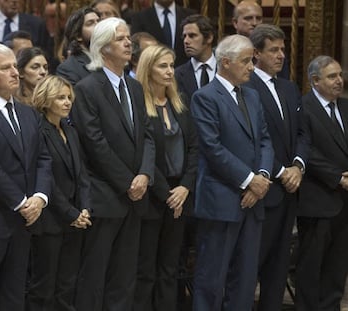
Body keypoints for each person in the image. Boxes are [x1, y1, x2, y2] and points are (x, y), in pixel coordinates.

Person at [71, 17, 155, 311]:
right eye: (121, 39)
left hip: (135, 196)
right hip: (105, 195)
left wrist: (144, 174)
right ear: (103, 47)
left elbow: (147, 135)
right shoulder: (86, 88)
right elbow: (95, 144)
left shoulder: (133, 87)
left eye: (128, 37)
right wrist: (127, 182)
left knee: (124, 276)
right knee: (95, 274)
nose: (128, 43)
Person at [190, 34, 274, 311]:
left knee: (246, 279)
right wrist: (250, 182)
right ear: (225, 62)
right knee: (211, 279)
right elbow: (212, 149)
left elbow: (264, 140)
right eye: (246, 61)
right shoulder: (205, 97)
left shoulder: (251, 95)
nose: (252, 66)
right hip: (222, 200)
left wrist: (261, 175)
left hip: (253, 202)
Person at [0, 43, 52, 311]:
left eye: (15, 66)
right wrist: (20, 201)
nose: (15, 72)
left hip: (26, 219)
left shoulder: (28, 113)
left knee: (15, 295)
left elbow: (44, 158)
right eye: (6, 68)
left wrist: (39, 197)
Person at [244, 24, 310, 311]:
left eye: (283, 49)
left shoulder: (288, 87)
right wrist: (282, 172)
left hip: (290, 193)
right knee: (250, 266)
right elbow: (253, 141)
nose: (281, 55)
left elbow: (303, 134)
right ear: (256, 53)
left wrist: (298, 165)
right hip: (264, 190)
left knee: (279, 268)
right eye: (274, 50)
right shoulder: (246, 87)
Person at [133, 44, 198, 311]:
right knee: (146, 267)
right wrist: (167, 193)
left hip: (179, 194)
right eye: (163, 66)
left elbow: (195, 148)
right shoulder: (139, 105)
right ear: (148, 69)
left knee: (171, 267)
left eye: (172, 65)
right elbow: (143, 155)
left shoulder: (179, 103)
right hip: (152, 194)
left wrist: (184, 187)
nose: (170, 71)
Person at [26, 75, 91, 311]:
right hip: (50, 220)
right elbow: (47, 180)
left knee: (67, 285)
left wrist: (84, 208)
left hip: (75, 220)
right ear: (46, 99)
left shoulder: (70, 130)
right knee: (44, 286)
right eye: (60, 98)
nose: (67, 103)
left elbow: (82, 174)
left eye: (69, 98)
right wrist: (70, 212)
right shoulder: (38, 130)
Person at [296, 56, 348, 311]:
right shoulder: (303, 108)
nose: (339, 80)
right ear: (315, 81)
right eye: (332, 76)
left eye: (339, 75)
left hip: (344, 203)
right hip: (317, 199)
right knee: (311, 266)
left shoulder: (346, 106)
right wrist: (338, 177)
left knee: (337, 266)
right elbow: (306, 150)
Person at [131, 0, 195, 67]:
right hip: (152, 71)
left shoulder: (189, 15)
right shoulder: (139, 17)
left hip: (185, 71)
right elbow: (136, 48)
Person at [175, 14, 216, 101]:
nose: (186, 41)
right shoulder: (176, 75)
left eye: (192, 36)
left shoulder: (226, 69)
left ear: (209, 38)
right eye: (184, 36)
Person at [56, 7, 100, 86]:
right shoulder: (68, 68)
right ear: (78, 36)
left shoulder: (111, 60)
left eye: (99, 21)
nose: (98, 26)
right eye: (90, 23)